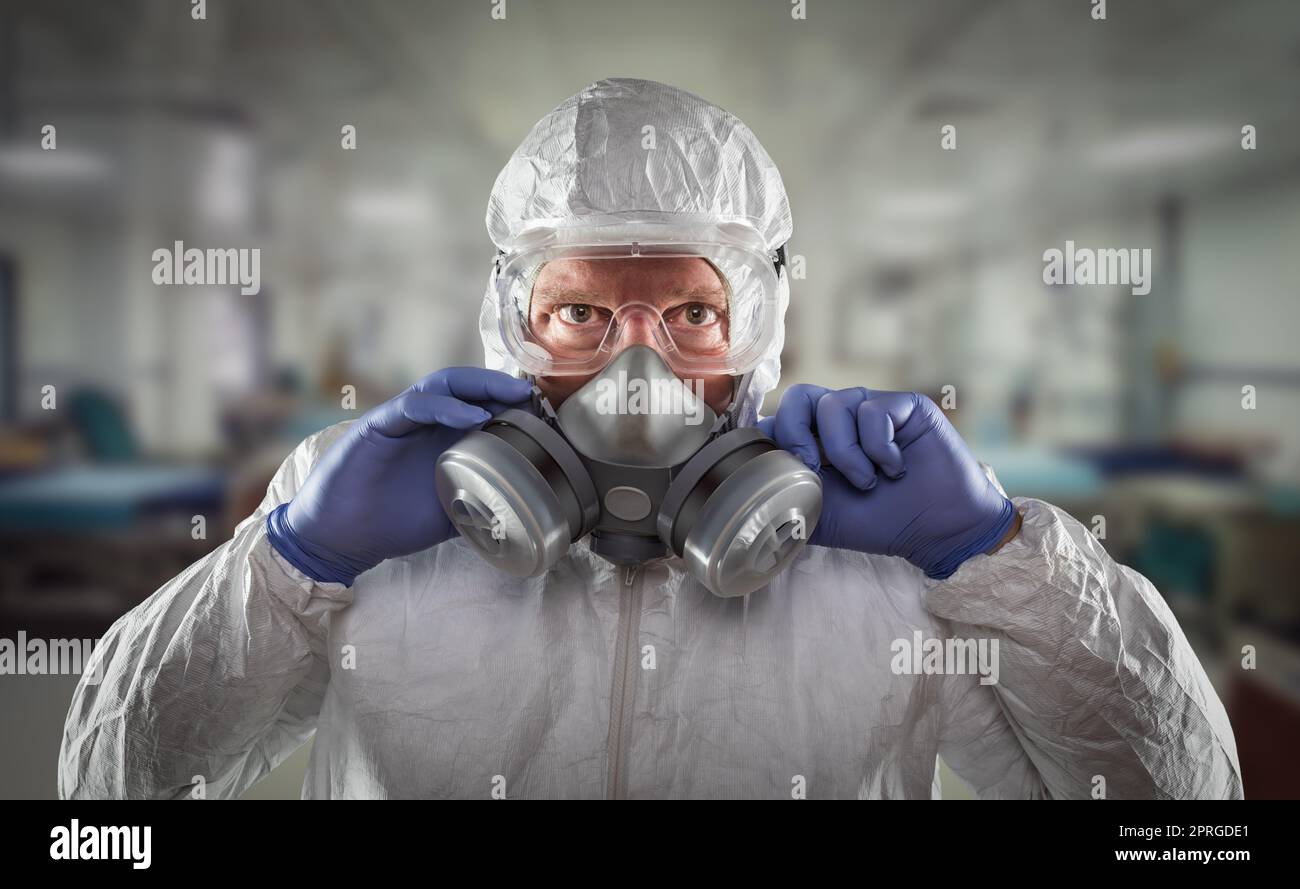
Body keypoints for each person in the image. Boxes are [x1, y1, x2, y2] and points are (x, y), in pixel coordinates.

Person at [59, 78, 1242, 799]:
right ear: (512, 318)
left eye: (690, 313)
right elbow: (105, 805)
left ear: (756, 325)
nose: (640, 366)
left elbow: (1176, 821)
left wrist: (994, 557)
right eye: (581, 312)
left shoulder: (887, 540)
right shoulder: (362, 506)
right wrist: (290, 566)